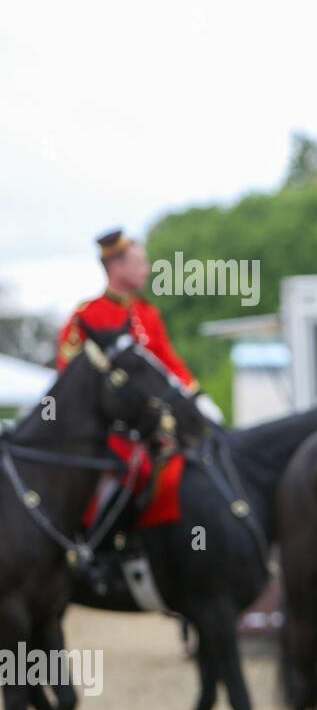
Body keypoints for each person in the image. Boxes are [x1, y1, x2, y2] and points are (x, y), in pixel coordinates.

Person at [56, 230, 218, 594]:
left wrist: (197, 396)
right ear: (116, 266)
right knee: (134, 468)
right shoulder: (88, 315)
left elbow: (167, 363)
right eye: (139, 263)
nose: (147, 270)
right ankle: (99, 550)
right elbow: (69, 375)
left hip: (147, 423)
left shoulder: (146, 313)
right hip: (104, 427)